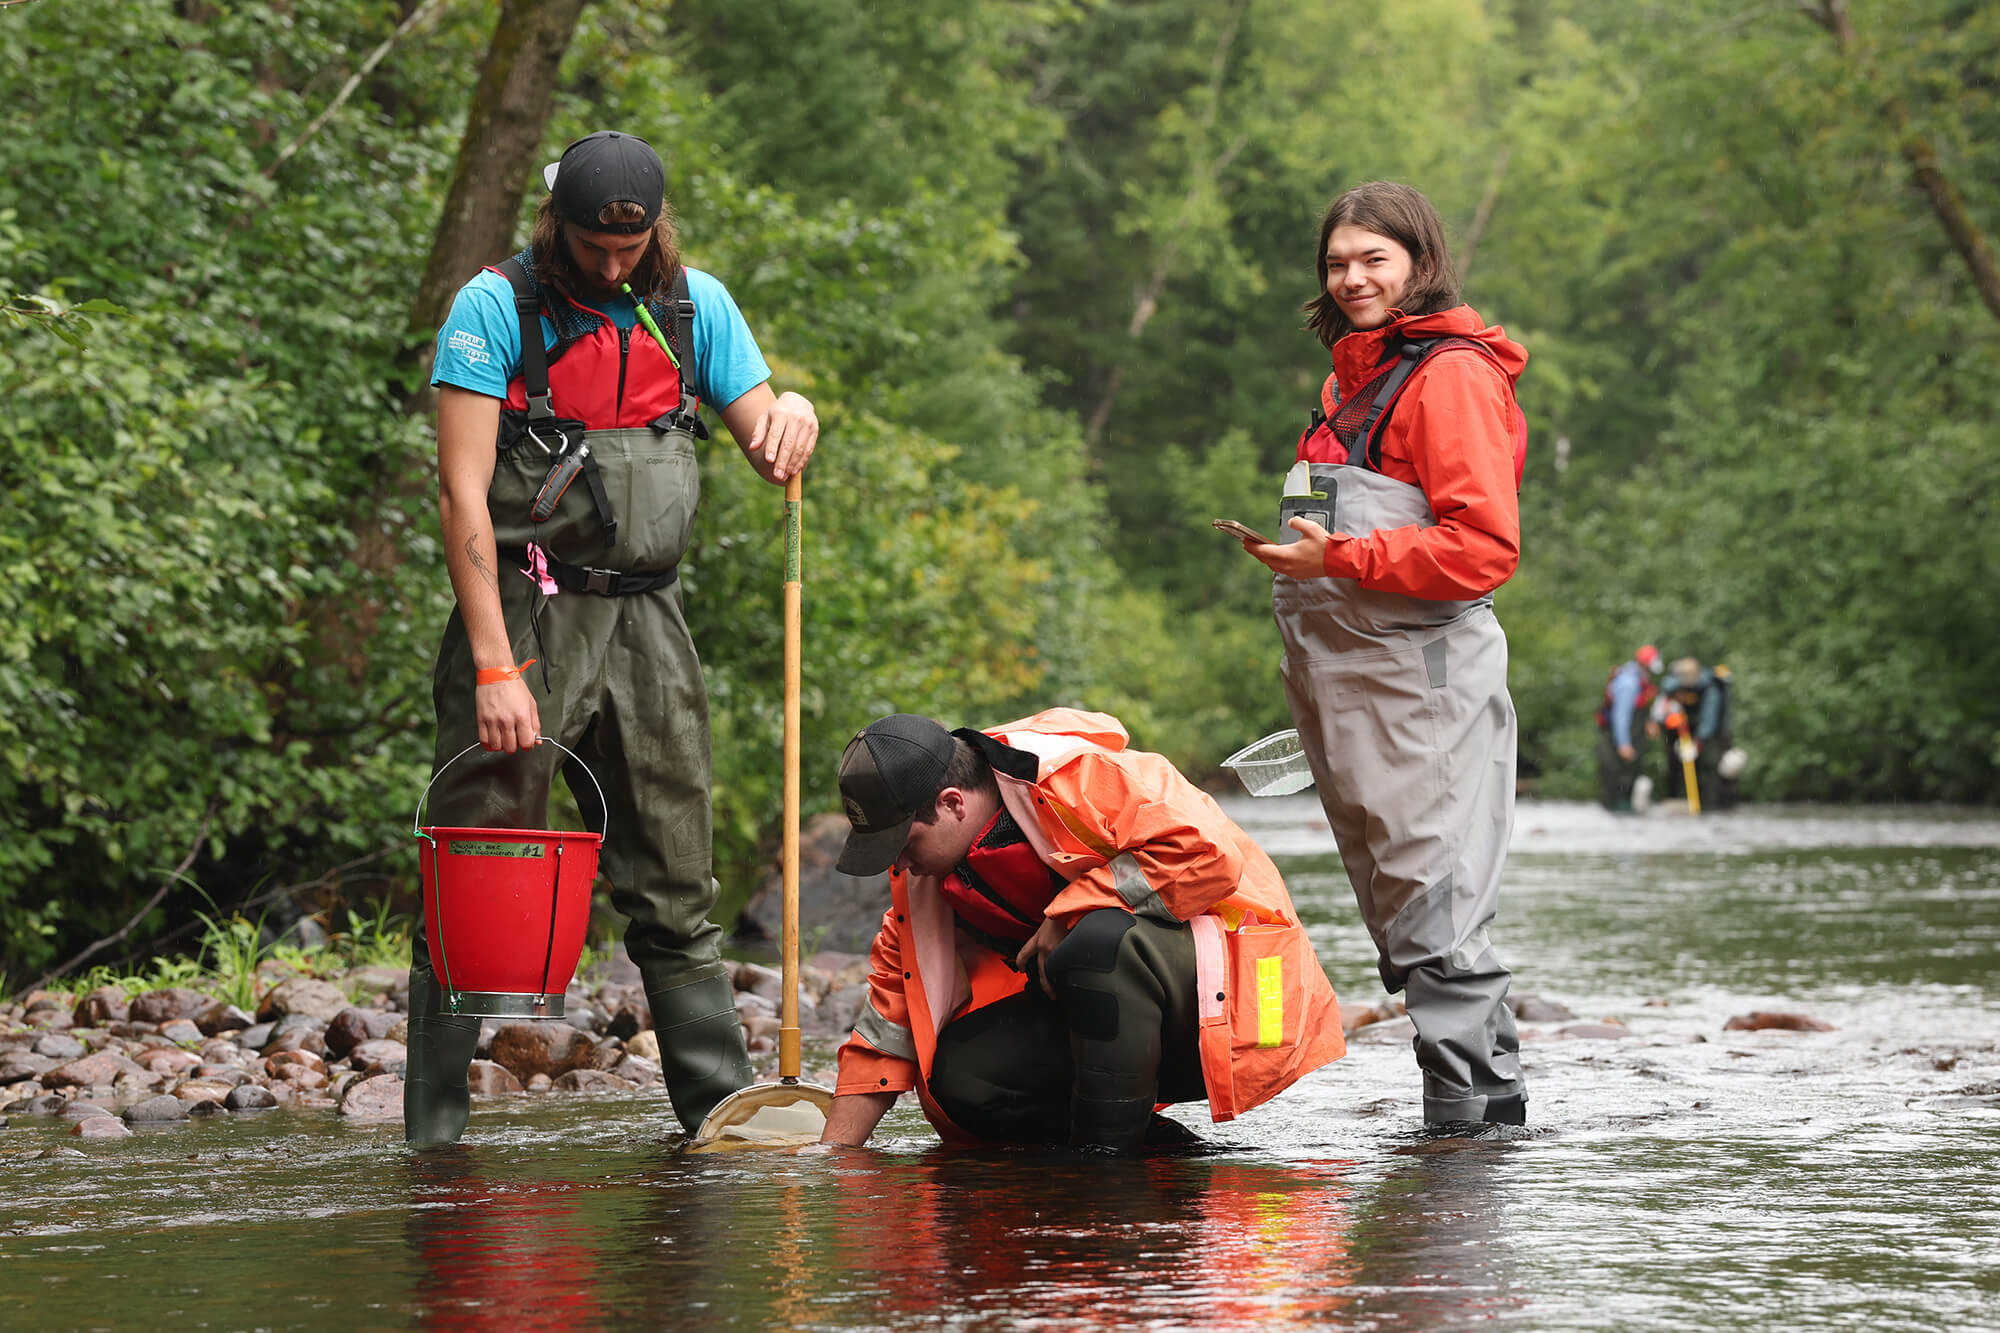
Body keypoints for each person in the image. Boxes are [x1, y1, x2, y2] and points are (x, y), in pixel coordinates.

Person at [407, 130, 820, 1145]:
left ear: (653, 230)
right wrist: (498, 665)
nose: (607, 263)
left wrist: (796, 412)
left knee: (677, 875)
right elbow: (462, 492)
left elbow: (770, 444)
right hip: (527, 612)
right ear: (559, 223)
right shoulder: (494, 308)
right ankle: (434, 1137)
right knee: (475, 866)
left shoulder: (695, 306)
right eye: (592, 244)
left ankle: (720, 1121)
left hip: (650, 618)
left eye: (626, 248)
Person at [1238, 180, 1530, 1129]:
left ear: (1419, 261)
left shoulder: (1449, 376)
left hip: (1424, 679)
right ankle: (1473, 1125)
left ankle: (1472, 1134)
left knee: (1437, 908)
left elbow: (1483, 548)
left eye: (1375, 259)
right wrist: (1302, 555)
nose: (1354, 277)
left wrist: (1345, 555)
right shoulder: (1346, 381)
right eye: (1338, 261)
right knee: (1402, 911)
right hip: (1350, 681)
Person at [818, 709, 1347, 1152]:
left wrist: (1066, 913)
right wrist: (831, 1158)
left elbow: (1209, 856)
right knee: (962, 1076)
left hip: (1252, 1005)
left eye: (905, 845)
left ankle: (1106, 1167)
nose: (903, 864)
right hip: (1117, 1027)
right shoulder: (922, 882)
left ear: (952, 803)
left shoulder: (1079, 777)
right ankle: (1156, 1151)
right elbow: (887, 1024)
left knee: (1095, 942)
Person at [1654, 656, 1737, 811]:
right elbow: (1660, 708)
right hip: (1681, 735)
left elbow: (1709, 719)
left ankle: (1711, 807)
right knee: (1675, 770)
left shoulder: (1710, 688)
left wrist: (1697, 743)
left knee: (1709, 770)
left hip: (1707, 738)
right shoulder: (1672, 686)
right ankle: (1680, 801)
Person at [1596, 644, 1663, 812]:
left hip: (1633, 737)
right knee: (1619, 779)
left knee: (1630, 777)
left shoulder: (1641, 680)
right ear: (1644, 665)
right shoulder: (1629, 682)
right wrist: (1623, 744)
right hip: (1619, 740)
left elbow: (1640, 708)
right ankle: (1618, 812)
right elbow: (1621, 716)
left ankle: (1624, 812)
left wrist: (1649, 722)